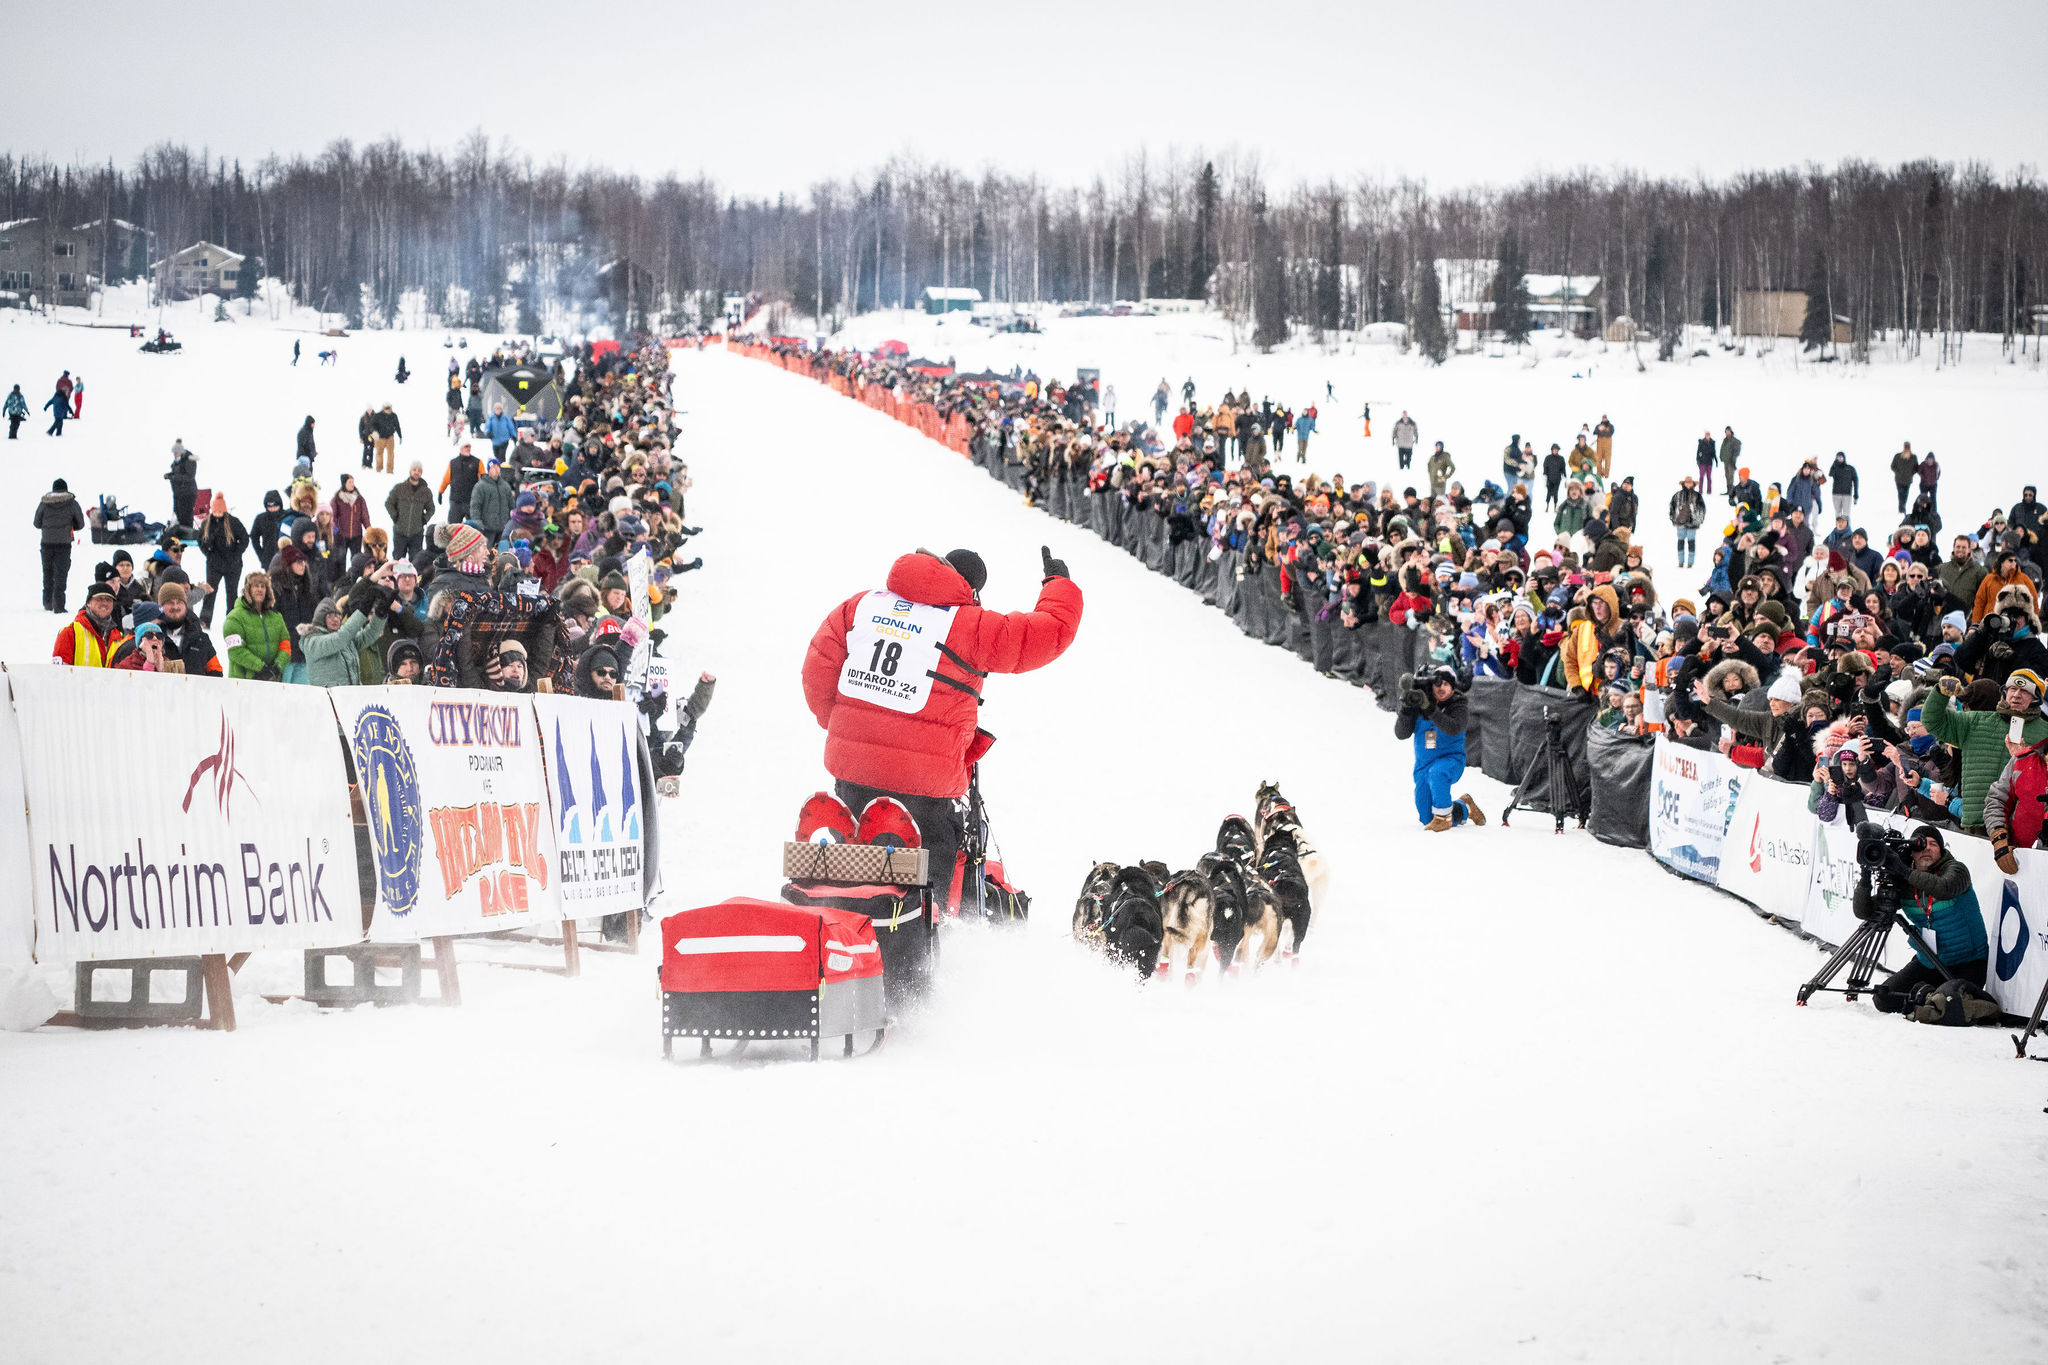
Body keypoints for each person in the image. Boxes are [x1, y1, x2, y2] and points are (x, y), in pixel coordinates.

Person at [801, 546, 1083, 911]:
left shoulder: (860, 606)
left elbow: (816, 673)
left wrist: (850, 731)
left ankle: (846, 942)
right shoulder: (968, 624)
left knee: (850, 877)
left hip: (853, 778)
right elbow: (1048, 633)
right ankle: (917, 959)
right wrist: (1059, 582)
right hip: (925, 791)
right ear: (971, 590)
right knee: (922, 897)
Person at [1862, 826, 1987, 1017]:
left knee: (1952, 1004)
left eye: (1933, 844)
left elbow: (1943, 888)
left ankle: (1929, 998)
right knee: (1883, 997)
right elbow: (1864, 912)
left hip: (1968, 962)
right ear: (1911, 852)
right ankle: (1928, 998)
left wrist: (1903, 871)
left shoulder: (1956, 870)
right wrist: (1865, 877)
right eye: (1920, 844)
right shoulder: (1904, 882)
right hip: (1929, 961)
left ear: (1942, 850)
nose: (1926, 848)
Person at [1923, 670, 2048, 833]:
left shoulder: (2045, 733)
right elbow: (1932, 722)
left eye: (2024, 691)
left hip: (2024, 829)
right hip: (1977, 824)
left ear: (2036, 697)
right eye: (2012, 689)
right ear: (2005, 692)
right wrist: (1940, 694)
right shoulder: (1975, 721)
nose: (2016, 695)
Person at [1394, 665, 1485, 831]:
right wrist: (1407, 708)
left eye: (1446, 684)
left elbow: (1452, 728)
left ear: (1452, 687)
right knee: (1426, 817)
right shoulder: (1420, 702)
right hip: (1423, 764)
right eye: (1438, 684)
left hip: (1451, 760)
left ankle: (1444, 818)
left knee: (1437, 774)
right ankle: (1465, 807)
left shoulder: (1458, 705)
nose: (1441, 688)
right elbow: (1401, 734)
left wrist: (1430, 709)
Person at [224, 572, 292, 681]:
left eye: (263, 586)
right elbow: (236, 651)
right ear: (248, 590)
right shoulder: (234, 617)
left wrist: (277, 668)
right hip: (244, 682)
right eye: (256, 586)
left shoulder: (276, 617)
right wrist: (261, 669)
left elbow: (285, 645)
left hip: (273, 681)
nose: (259, 590)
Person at [197, 492, 249, 626]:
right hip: (214, 564)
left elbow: (244, 538)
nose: (218, 514)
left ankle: (233, 621)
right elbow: (200, 540)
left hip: (233, 564)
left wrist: (236, 554)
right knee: (210, 592)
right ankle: (204, 620)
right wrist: (208, 553)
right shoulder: (206, 524)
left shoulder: (233, 522)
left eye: (220, 511)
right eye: (215, 511)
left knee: (232, 594)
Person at [54, 582, 126, 666]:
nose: (104, 603)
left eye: (108, 600)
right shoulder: (70, 632)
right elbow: (59, 673)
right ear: (88, 603)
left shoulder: (118, 637)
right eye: (99, 599)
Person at [385, 461, 436, 563]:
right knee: (398, 562)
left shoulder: (426, 491)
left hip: (416, 533)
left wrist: (425, 519)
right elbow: (388, 503)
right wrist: (394, 515)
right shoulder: (399, 488)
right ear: (410, 471)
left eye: (419, 471)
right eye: (414, 470)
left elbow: (431, 508)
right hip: (400, 531)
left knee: (416, 562)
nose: (416, 472)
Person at [1669, 474, 1705, 568]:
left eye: (1690, 483)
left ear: (1693, 484)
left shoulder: (1697, 496)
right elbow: (1671, 508)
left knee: (1691, 542)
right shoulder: (1677, 495)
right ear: (1684, 484)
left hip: (1692, 524)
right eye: (1686, 483)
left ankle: (1690, 562)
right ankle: (1680, 562)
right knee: (1680, 542)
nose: (1688, 484)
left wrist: (1699, 520)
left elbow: (1702, 509)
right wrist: (1673, 519)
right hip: (1680, 522)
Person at [1827, 451, 1859, 524]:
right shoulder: (1835, 468)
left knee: (1846, 514)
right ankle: (1838, 529)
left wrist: (1856, 494)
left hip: (1847, 495)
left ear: (1844, 458)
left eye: (1841, 457)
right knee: (1837, 514)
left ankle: (1847, 529)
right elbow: (1830, 474)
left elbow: (1856, 480)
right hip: (1836, 494)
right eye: (1838, 457)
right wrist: (1834, 465)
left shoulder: (1850, 468)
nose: (1840, 459)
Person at [371, 403, 402, 473]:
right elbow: (372, 425)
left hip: (390, 437)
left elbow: (397, 426)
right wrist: (374, 432)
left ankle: (390, 470)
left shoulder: (394, 416)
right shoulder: (377, 416)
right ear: (383, 409)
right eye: (386, 409)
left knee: (391, 454)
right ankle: (379, 468)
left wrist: (400, 436)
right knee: (379, 454)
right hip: (379, 438)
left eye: (389, 409)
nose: (388, 410)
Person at [1891, 442, 1918, 514]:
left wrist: (1911, 473)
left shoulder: (1913, 457)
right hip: (1899, 480)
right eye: (1905, 447)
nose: (1906, 448)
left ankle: (1903, 507)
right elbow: (1893, 466)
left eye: (1907, 447)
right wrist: (1898, 472)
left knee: (1905, 494)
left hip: (1908, 480)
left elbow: (1916, 468)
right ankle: (1901, 509)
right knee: (1900, 494)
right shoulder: (1898, 456)